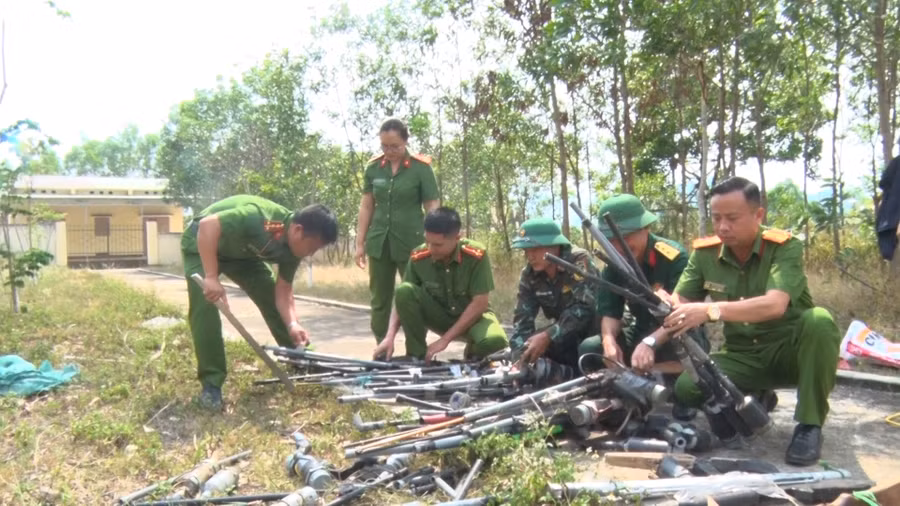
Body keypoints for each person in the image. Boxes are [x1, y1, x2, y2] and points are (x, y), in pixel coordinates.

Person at [662, 177, 841, 466]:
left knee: (819, 321)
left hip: (791, 354)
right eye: (716, 218)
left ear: (759, 215)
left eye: (732, 218)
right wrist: (661, 315)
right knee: (687, 386)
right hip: (744, 355)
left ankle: (809, 426)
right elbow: (678, 303)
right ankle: (756, 396)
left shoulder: (784, 247)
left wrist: (710, 310)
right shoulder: (705, 254)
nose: (722, 227)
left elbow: (775, 304)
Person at [181, 195, 338, 410]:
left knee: (269, 294)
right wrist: (211, 277)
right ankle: (211, 385)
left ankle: (301, 358)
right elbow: (208, 226)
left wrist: (292, 324)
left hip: (242, 257)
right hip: (202, 244)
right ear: (298, 230)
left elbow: (283, 292)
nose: (310, 254)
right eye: (312, 248)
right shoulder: (258, 218)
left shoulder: (293, 249)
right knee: (206, 305)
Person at [579, 194, 710, 378]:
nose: (618, 246)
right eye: (611, 240)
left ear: (646, 228)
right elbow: (610, 313)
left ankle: (651, 374)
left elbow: (683, 315)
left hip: (677, 333)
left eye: (625, 236)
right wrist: (609, 343)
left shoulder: (673, 257)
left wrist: (650, 343)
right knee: (591, 347)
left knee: (691, 367)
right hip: (641, 331)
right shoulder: (614, 264)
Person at [372, 207, 508, 362]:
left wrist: (444, 341)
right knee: (404, 290)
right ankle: (416, 355)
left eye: (437, 245)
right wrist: (389, 337)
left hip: (473, 317)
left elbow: (480, 303)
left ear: (457, 238)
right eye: (427, 241)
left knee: (495, 342)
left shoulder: (476, 255)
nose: (430, 249)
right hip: (440, 315)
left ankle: (474, 354)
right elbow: (403, 298)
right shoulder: (418, 257)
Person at [356, 118, 441, 353]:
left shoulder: (421, 168)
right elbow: (366, 207)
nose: (389, 151)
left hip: (412, 243)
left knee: (414, 296)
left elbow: (432, 206)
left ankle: (416, 349)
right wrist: (359, 242)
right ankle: (383, 348)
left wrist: (434, 241)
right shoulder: (373, 168)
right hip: (380, 243)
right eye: (384, 146)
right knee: (379, 301)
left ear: (405, 141)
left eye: (395, 146)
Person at [509, 218, 600, 369]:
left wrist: (548, 336)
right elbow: (522, 320)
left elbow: (584, 310)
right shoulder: (529, 274)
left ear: (555, 245)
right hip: (564, 335)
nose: (529, 256)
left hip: (595, 330)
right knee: (532, 346)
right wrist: (519, 353)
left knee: (588, 349)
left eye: (535, 249)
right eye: (526, 250)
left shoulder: (578, 261)